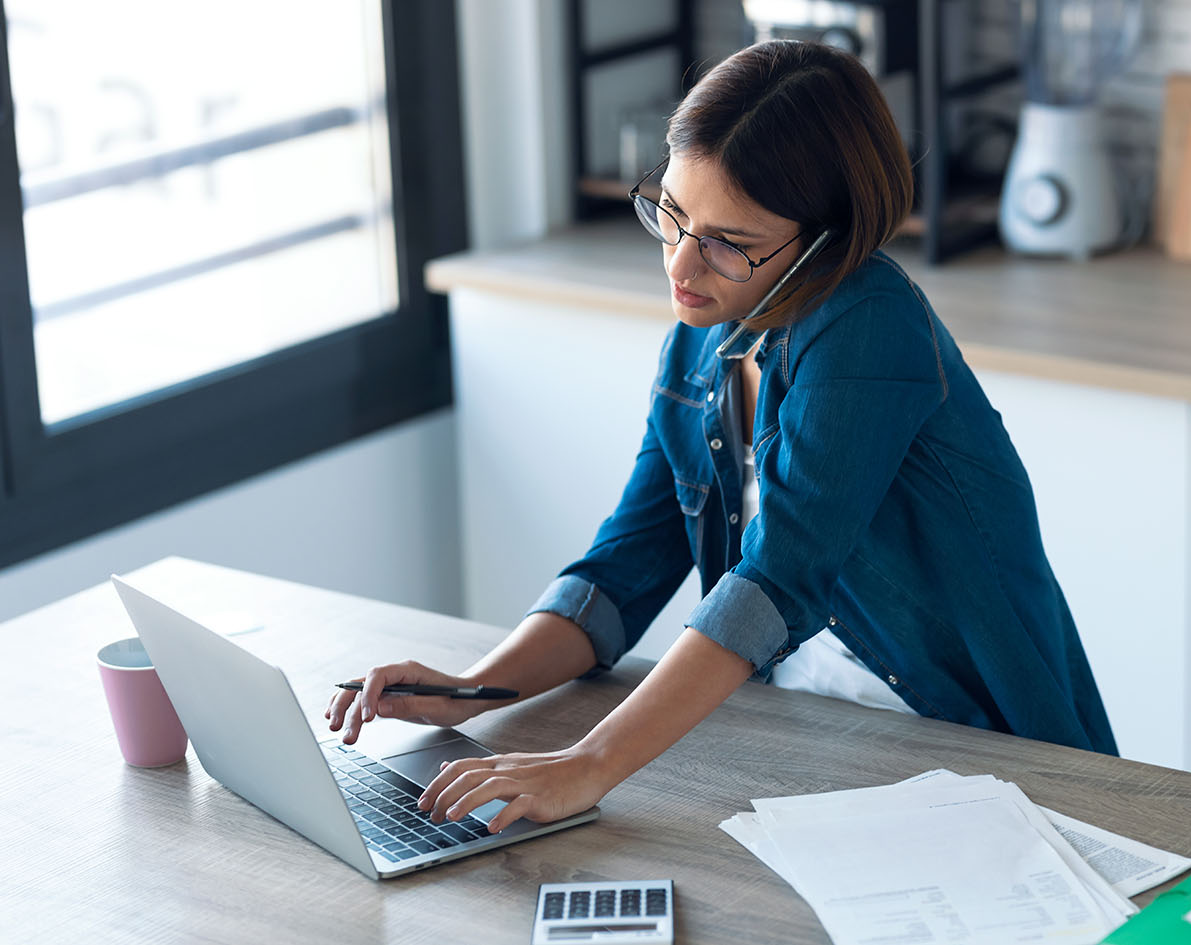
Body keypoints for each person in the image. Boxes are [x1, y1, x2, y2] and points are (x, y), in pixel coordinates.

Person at [325, 39, 1117, 834]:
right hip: (793, 731)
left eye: (728, 242)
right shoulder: (704, 327)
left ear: (825, 240)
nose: (680, 263)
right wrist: (474, 689)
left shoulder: (868, 324)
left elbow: (777, 580)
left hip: (955, 737)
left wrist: (591, 763)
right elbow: (628, 561)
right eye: (671, 214)